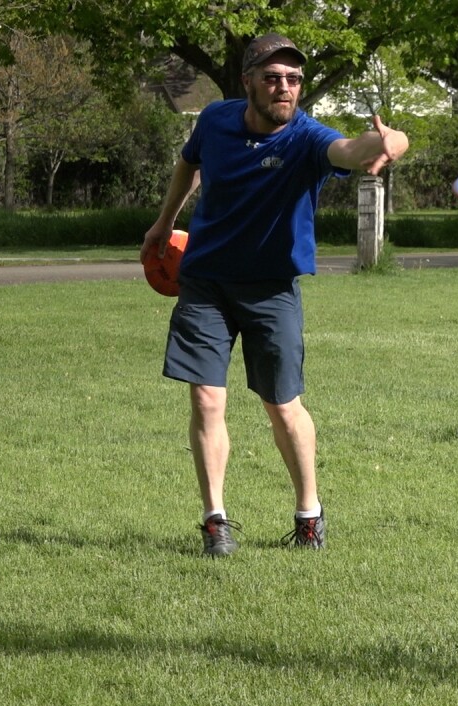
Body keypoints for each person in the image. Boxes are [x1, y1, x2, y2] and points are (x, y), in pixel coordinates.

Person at [140, 33, 409, 557]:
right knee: (205, 397)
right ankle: (215, 521)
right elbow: (188, 162)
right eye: (273, 78)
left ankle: (309, 513)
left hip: (271, 289)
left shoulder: (306, 138)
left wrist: (388, 142)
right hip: (206, 280)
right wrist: (164, 223)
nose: (285, 87)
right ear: (248, 84)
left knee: (283, 407)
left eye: (293, 79)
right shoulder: (216, 120)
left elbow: (349, 150)